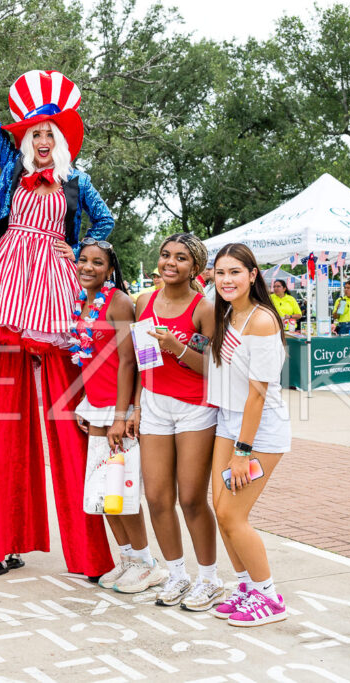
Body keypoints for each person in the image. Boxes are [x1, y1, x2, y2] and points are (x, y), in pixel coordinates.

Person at [0, 60, 114, 578]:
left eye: (49, 132)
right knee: (7, 423)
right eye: (34, 133)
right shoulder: (12, 170)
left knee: (68, 422)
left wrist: (83, 250)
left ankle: (90, 557)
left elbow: (106, 220)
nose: (42, 139)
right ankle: (3, 545)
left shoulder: (77, 181)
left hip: (54, 292)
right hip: (5, 293)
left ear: (61, 138)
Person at [131, 233, 221, 611]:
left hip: (194, 407)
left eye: (181, 258)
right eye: (166, 255)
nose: (170, 262)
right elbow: (142, 358)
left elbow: (214, 368)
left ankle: (210, 580)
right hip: (154, 404)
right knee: (156, 497)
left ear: (195, 268)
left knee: (191, 498)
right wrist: (135, 405)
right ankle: (177, 574)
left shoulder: (204, 308)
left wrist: (177, 347)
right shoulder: (144, 302)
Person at [72, 239, 168, 593]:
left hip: (118, 408)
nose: (87, 267)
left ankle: (146, 563)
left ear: (110, 269)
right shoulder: (81, 300)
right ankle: (127, 558)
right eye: (83, 260)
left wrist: (120, 415)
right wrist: (86, 404)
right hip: (96, 405)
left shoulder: (119, 302)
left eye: (97, 262)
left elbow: (130, 360)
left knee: (121, 488)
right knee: (103, 490)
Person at [207, 242, 290, 626]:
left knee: (233, 514)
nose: (226, 279)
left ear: (253, 275)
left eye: (235, 272)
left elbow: (258, 394)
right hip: (228, 420)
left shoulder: (261, 320)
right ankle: (246, 587)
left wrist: (243, 450)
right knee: (220, 511)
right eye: (220, 272)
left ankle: (269, 597)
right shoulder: (227, 315)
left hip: (259, 430)